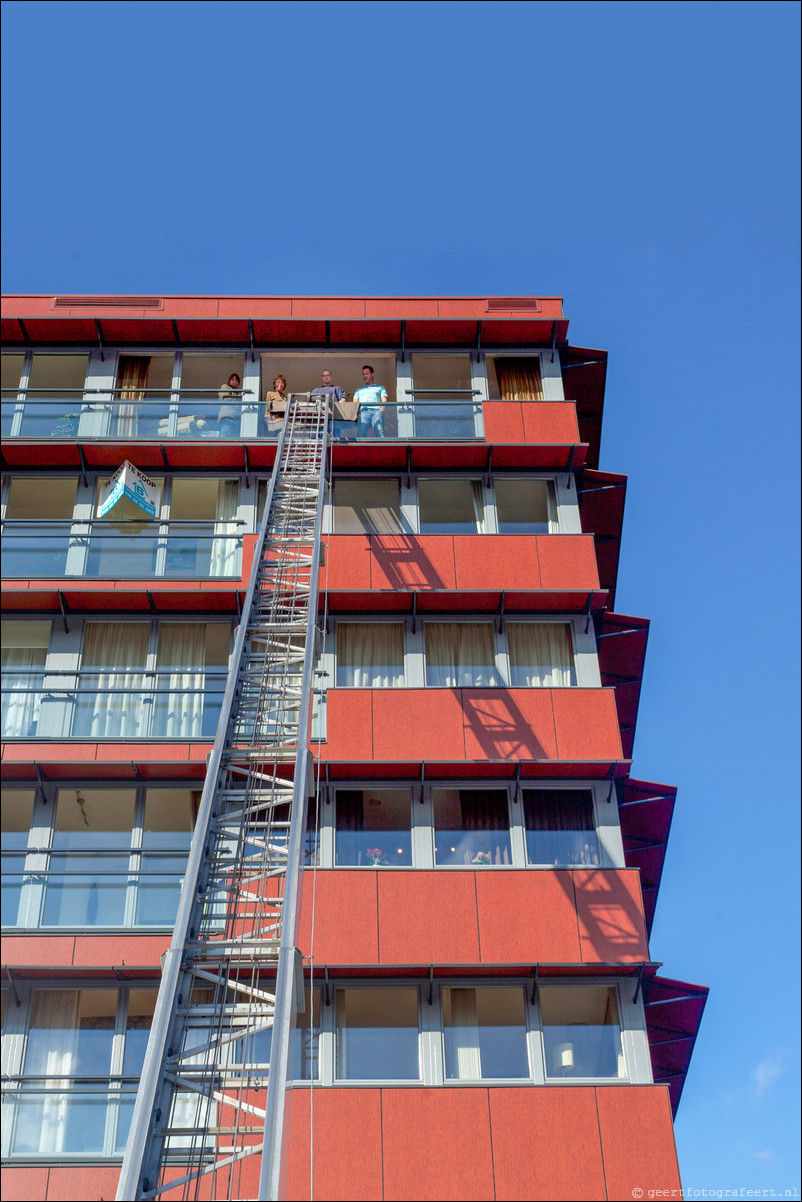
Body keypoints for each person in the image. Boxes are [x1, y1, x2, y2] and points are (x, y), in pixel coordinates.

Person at [312, 368, 354, 439]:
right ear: (322, 378)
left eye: (328, 375)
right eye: (324, 375)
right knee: (320, 441)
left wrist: (337, 404)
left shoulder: (337, 389)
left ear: (331, 377)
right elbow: (311, 399)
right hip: (321, 420)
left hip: (334, 420)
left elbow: (343, 399)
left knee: (334, 440)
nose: (326, 377)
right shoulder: (317, 390)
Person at [354, 365, 389, 438]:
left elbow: (384, 400)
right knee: (361, 434)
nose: (364, 376)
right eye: (363, 374)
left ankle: (383, 447)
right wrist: (357, 414)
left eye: (367, 374)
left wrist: (381, 410)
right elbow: (355, 403)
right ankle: (360, 449)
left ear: (372, 375)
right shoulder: (358, 390)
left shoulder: (380, 388)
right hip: (363, 412)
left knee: (380, 431)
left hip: (376, 411)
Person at [217, 373, 242, 438]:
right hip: (226, 418)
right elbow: (226, 398)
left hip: (236, 421)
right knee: (225, 435)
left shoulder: (238, 392)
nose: (235, 382)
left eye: (237, 381)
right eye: (233, 380)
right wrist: (240, 395)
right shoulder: (225, 387)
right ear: (229, 381)